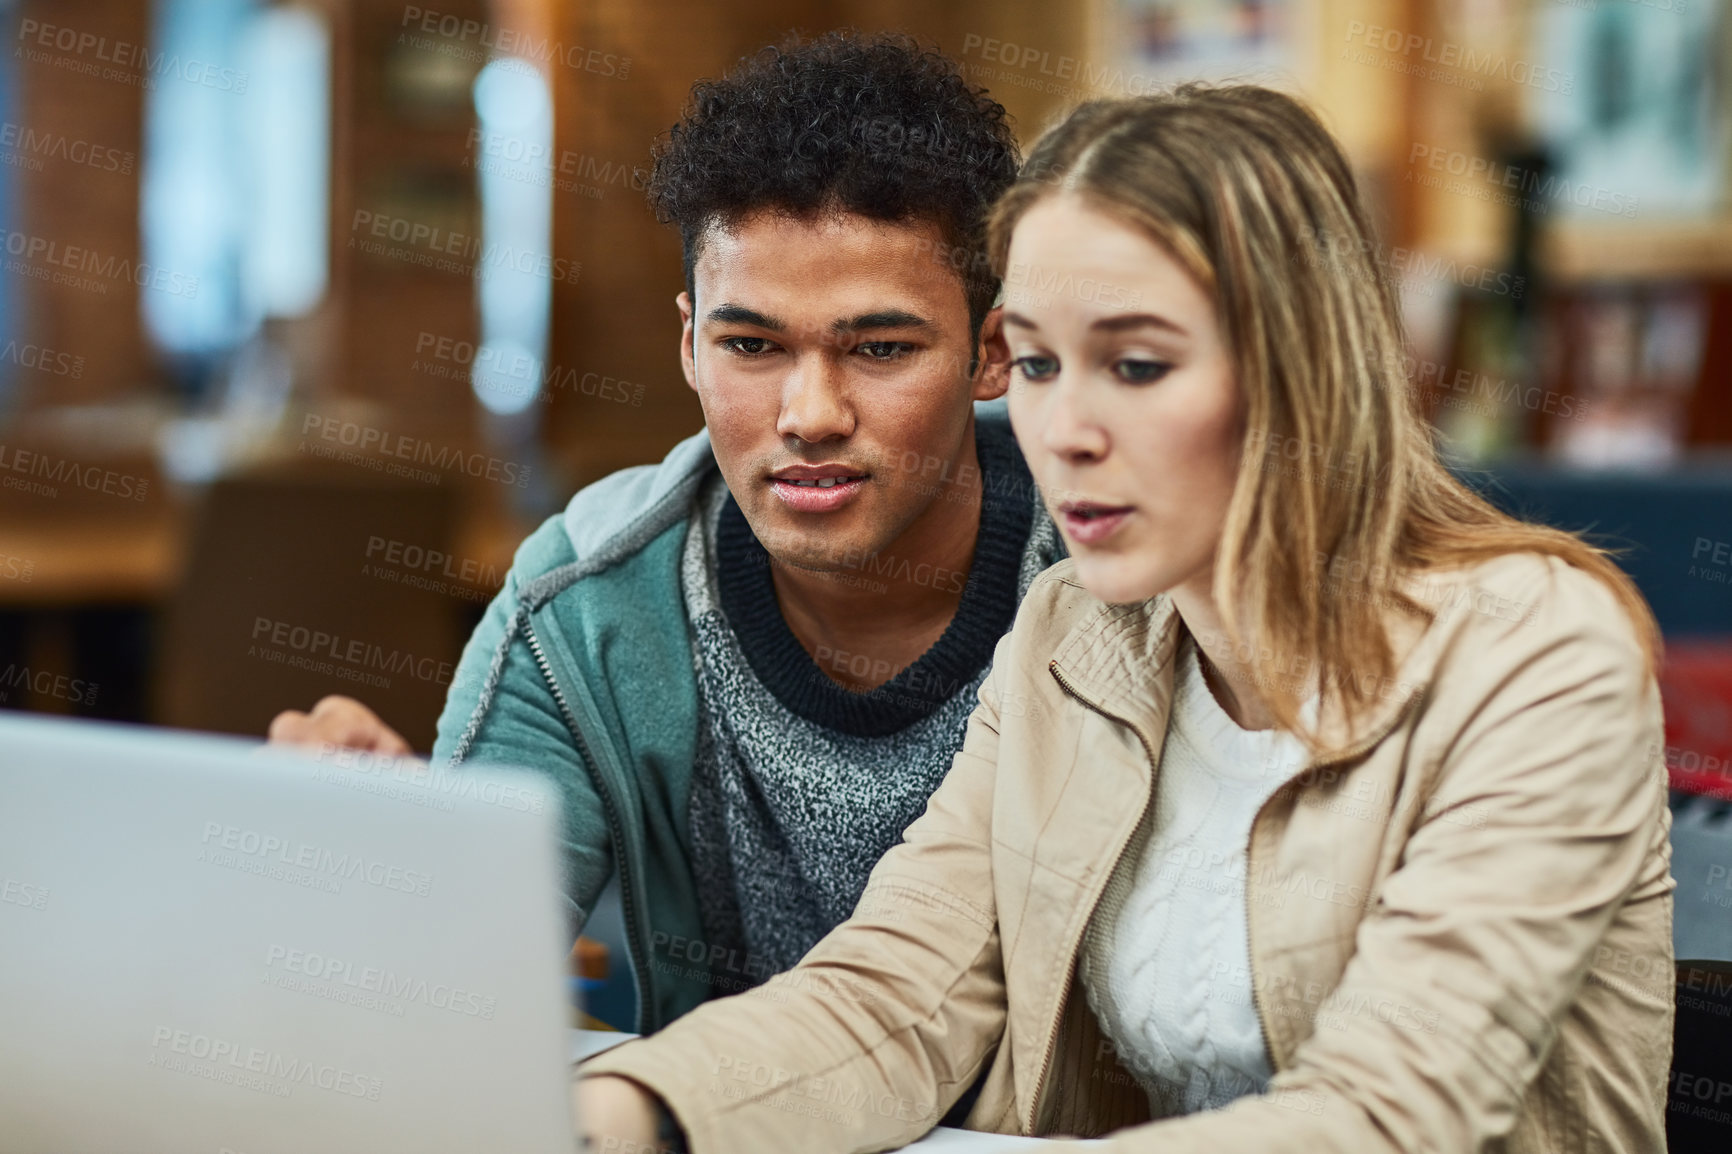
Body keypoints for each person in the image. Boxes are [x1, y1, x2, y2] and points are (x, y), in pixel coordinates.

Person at [575, 84, 1674, 1153]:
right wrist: (623, 1112)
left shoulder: (1533, 648)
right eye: (1041, 364)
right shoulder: (1072, 634)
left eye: (1136, 365)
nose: (1064, 430)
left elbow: (1388, 1118)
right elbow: (898, 993)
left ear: (1300, 374)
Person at [268, 31, 1063, 1034]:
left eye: (879, 346)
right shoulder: (588, 602)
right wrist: (364, 873)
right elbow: (437, 993)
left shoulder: (1105, 565)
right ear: (689, 342)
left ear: (993, 351)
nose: (809, 411)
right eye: (751, 344)